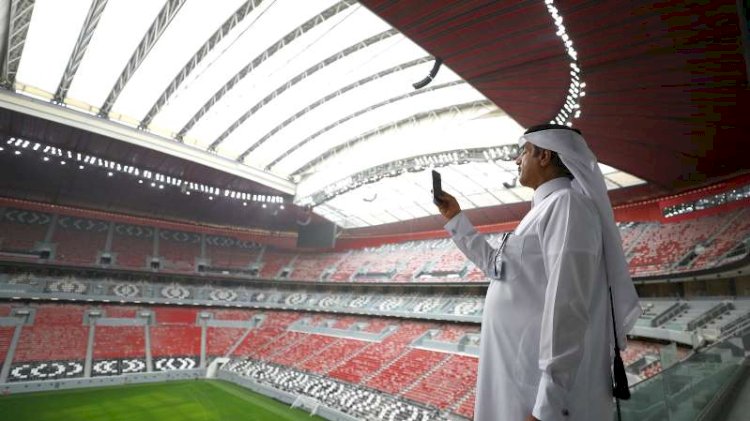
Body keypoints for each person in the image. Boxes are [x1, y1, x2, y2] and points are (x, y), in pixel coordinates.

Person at [435, 124, 641, 421]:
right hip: (518, 377)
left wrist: (548, 405)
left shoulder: (568, 205)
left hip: (535, 392)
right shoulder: (543, 211)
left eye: (524, 152)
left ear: (544, 155)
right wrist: (455, 219)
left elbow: (567, 306)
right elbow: (497, 267)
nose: (518, 160)